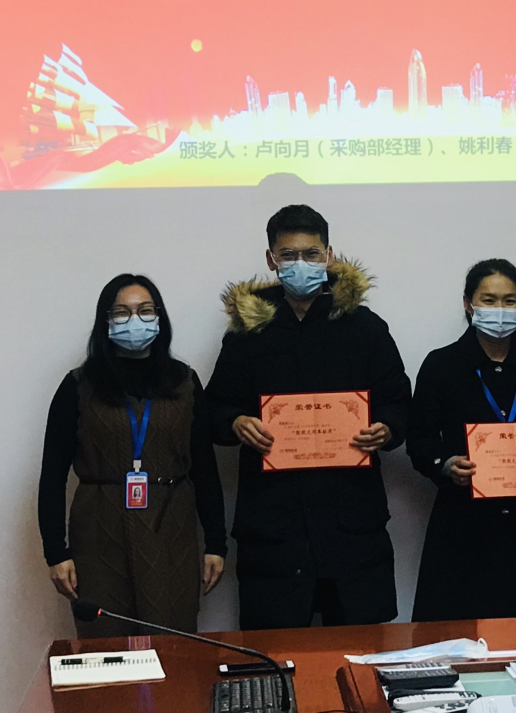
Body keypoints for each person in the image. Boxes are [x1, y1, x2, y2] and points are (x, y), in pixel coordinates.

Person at [205, 204, 412, 630]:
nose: (301, 263)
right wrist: (236, 422)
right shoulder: (248, 332)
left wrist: (387, 427)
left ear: (329, 256)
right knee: (275, 654)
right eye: (289, 255)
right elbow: (213, 409)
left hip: (351, 527)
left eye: (311, 254)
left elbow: (399, 401)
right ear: (271, 260)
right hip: (274, 530)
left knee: (358, 653)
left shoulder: (364, 327)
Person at [38, 274, 227, 638]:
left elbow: (205, 468)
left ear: (160, 317)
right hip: (99, 529)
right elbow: (52, 476)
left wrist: (216, 543)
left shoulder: (184, 382)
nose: (134, 320)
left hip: (171, 526)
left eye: (145, 310)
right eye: (122, 312)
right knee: (106, 642)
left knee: (173, 642)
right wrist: (55, 552)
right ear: (105, 321)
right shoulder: (78, 385)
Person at [408, 259, 516, 622]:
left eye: (510, 300)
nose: (499, 310)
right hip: (464, 526)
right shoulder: (442, 365)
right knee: (460, 638)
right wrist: (446, 465)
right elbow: (420, 440)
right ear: (468, 304)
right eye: (488, 300)